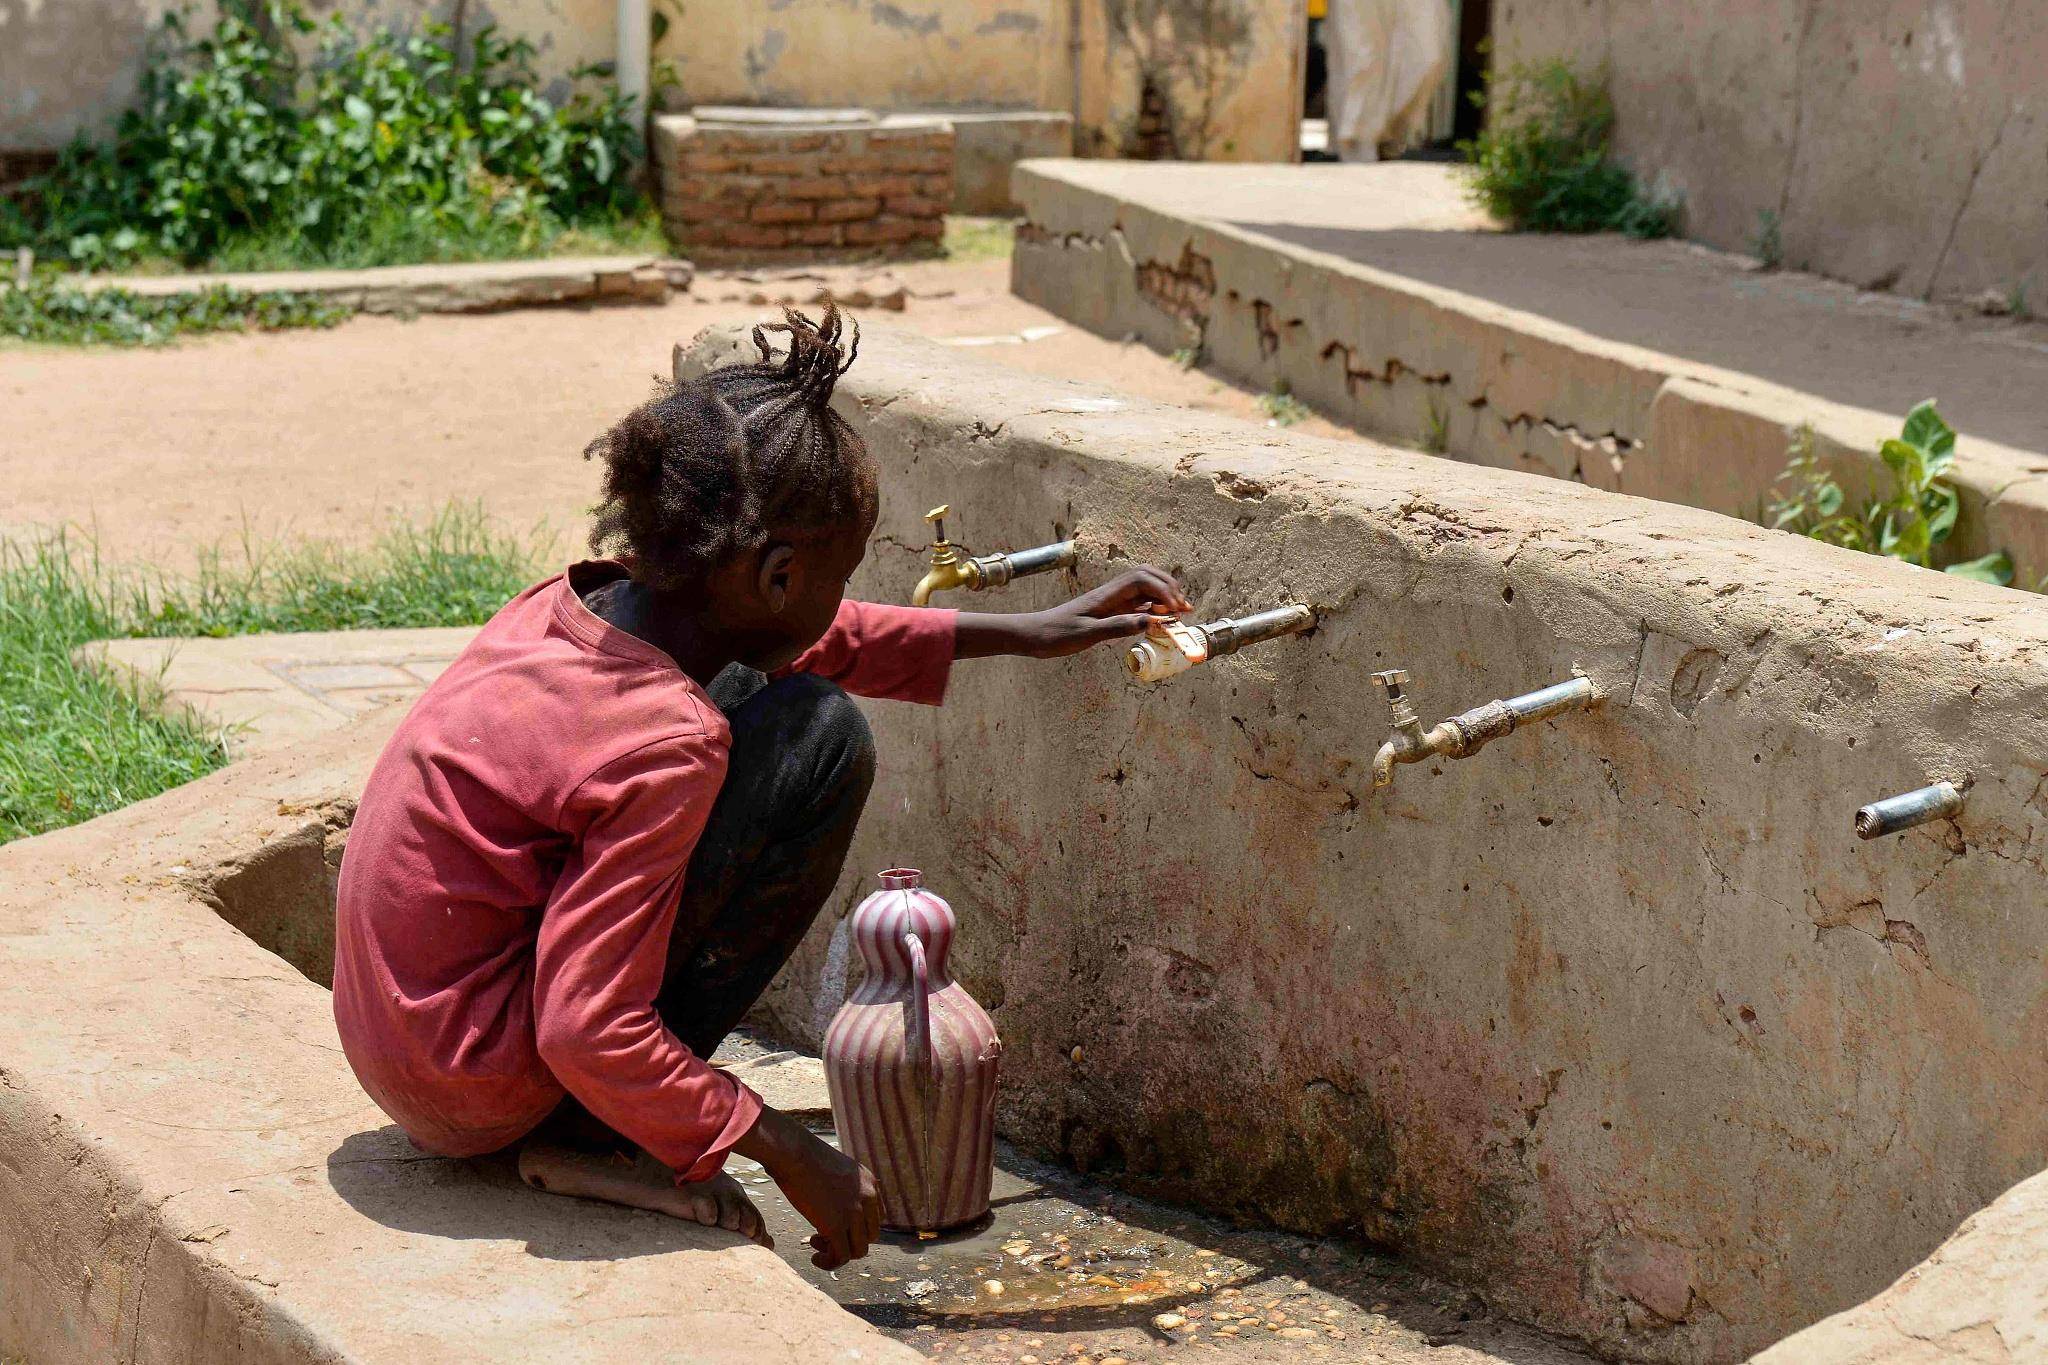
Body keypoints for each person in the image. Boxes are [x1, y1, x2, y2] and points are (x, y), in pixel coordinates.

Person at [331, 302, 1189, 1269]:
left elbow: (812, 637)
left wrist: (1029, 632)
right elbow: (584, 1024)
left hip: (403, 1041)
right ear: (778, 577)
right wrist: (785, 1147)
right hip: (481, 1082)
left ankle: (601, 1119)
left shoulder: (584, 605)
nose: (839, 596)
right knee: (821, 738)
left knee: (773, 693)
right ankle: (595, 1136)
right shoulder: (663, 742)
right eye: (840, 573)